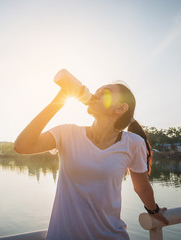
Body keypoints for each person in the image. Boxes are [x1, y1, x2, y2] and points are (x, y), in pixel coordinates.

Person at [13, 79, 169, 239]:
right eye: (97, 90)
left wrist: (154, 211)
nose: (96, 93)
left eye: (106, 92)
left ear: (121, 108)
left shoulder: (133, 143)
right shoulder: (66, 133)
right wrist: (59, 100)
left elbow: (141, 187)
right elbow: (22, 146)